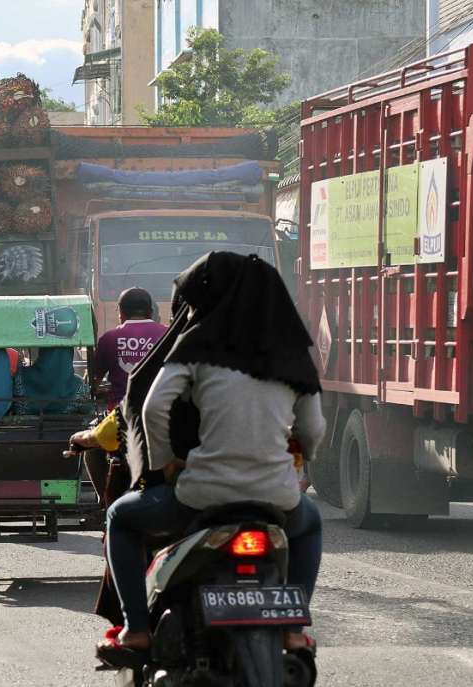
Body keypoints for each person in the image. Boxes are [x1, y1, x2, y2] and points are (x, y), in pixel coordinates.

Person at [96, 252, 325, 662]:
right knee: (310, 526)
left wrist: (162, 463)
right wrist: (299, 458)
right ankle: (292, 631)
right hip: (277, 500)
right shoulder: (293, 353)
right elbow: (313, 429)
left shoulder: (196, 345)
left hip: (201, 497)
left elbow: (151, 408)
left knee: (120, 518)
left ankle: (135, 629)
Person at [94, 288, 167, 411]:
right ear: (150, 312)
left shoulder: (109, 338)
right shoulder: (168, 334)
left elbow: (94, 382)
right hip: (160, 412)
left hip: (120, 414)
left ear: (121, 313)